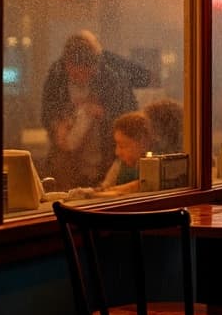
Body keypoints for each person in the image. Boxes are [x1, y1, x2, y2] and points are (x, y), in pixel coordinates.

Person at [40, 30, 152, 190]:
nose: (78, 77)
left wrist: (102, 113)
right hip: (67, 161)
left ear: (94, 67)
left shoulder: (113, 75)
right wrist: (57, 126)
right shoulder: (57, 74)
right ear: (66, 65)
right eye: (74, 73)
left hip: (105, 156)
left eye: (83, 73)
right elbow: (47, 113)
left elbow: (129, 120)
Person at [99, 111, 153, 194]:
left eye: (123, 146)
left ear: (143, 142)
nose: (117, 152)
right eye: (116, 145)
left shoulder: (156, 165)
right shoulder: (118, 165)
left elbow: (148, 184)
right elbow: (104, 188)